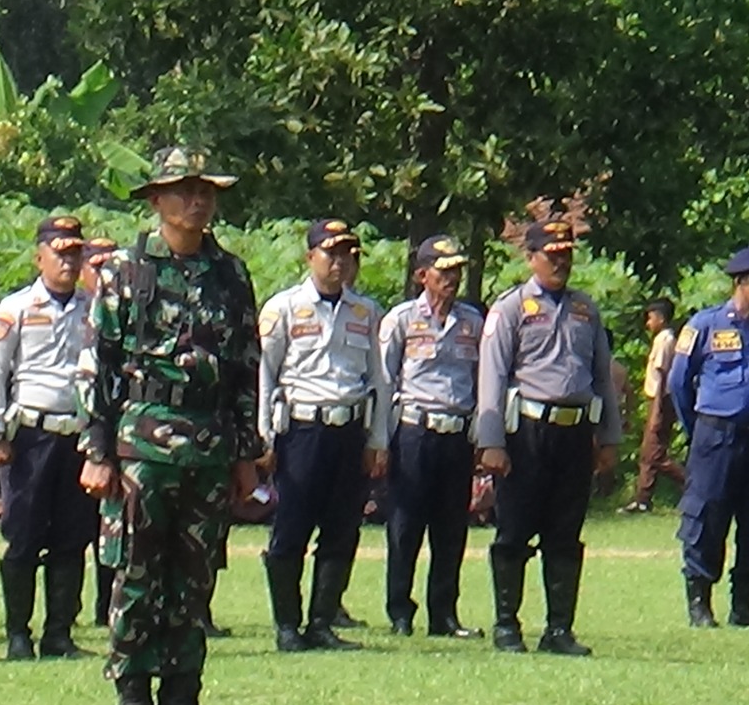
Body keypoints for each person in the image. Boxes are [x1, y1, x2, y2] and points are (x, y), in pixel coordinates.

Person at [81, 146, 262, 705]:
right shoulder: (124, 272)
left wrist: (245, 452)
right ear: (157, 200)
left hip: (209, 447)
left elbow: (244, 369)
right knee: (135, 574)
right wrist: (98, 450)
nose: (199, 200)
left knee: (194, 582)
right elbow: (99, 366)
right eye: (185, 189)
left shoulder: (231, 274)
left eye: (206, 190)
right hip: (141, 446)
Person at [476, 200, 621, 657]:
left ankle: (559, 629)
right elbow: (492, 376)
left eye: (566, 253)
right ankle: (506, 625)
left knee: (564, 532)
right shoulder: (512, 307)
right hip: (527, 433)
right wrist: (492, 441)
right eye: (551, 254)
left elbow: (602, 374)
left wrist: (610, 437)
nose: (560, 261)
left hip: (574, 432)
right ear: (531, 257)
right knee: (514, 531)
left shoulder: (585, 309)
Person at [256, 218, 384, 653]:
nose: (339, 262)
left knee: (342, 528)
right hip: (302, 430)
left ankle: (322, 622)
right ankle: (287, 626)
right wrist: (264, 439)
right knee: (291, 528)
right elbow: (265, 375)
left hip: (349, 429)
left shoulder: (366, 312)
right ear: (310, 256)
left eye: (347, 253)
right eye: (330, 253)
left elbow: (378, 380)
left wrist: (377, 440)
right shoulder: (284, 308)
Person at [0, 216, 96, 661]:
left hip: (77, 436)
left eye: (74, 253)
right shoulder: (17, 308)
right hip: (30, 434)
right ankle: (17, 635)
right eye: (59, 252)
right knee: (24, 534)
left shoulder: (93, 308)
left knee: (72, 535)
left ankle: (59, 634)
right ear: (39, 256)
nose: (67, 261)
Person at [377, 234, 484, 640]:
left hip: (456, 435)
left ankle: (444, 614)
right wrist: (382, 441)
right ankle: (400, 611)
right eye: (443, 271)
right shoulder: (401, 320)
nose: (451, 278)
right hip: (413, 432)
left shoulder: (473, 322)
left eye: (457, 270)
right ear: (423, 275)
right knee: (405, 526)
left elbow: (481, 380)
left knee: (451, 527)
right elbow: (385, 381)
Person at [668, 246, 749, 628]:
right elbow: (679, 383)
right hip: (715, 436)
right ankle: (699, 602)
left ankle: (744, 604)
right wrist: (698, 427)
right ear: (738, 284)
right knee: (707, 517)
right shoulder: (705, 325)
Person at [79, 236, 120, 628]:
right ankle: (67, 611)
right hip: (68, 430)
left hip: (118, 432)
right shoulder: (74, 308)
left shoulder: (125, 307)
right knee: (76, 528)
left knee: (115, 524)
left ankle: (109, 603)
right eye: (96, 265)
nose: (104, 272)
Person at [619, 299, 685, 513]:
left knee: (655, 454)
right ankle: (643, 499)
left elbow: (663, 376)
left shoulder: (665, 341)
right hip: (656, 400)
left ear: (661, 318)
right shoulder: (661, 339)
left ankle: (693, 486)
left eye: (650, 317)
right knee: (648, 453)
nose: (648, 323)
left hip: (660, 401)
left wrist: (656, 410)